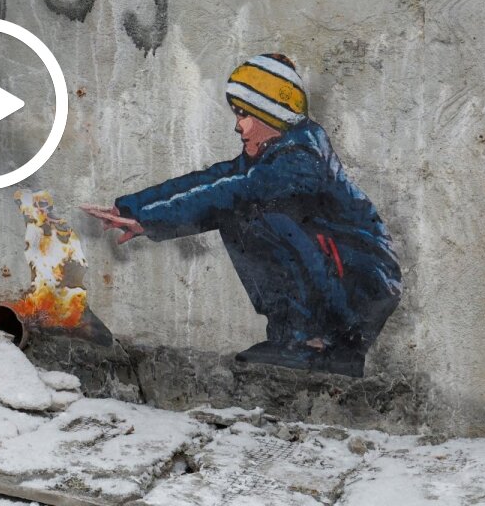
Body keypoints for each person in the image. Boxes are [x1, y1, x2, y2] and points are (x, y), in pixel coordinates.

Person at [98, 54, 402, 377]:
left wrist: (151, 221)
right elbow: (209, 181)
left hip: (363, 288)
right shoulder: (269, 155)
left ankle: (319, 343)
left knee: (252, 212)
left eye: (244, 115)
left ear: (270, 114)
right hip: (342, 278)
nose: (237, 125)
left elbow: (231, 192)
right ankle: (291, 335)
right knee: (237, 212)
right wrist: (131, 208)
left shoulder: (301, 159)